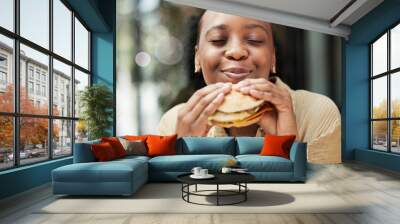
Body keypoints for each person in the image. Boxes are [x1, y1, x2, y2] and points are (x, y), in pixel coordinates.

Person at [157, 10, 341, 164]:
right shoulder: (172, 122)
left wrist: (287, 150)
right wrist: (184, 157)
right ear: (197, 58)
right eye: (218, 39)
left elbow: (324, 204)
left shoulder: (317, 112)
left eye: (254, 40)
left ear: (273, 57)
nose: (236, 52)